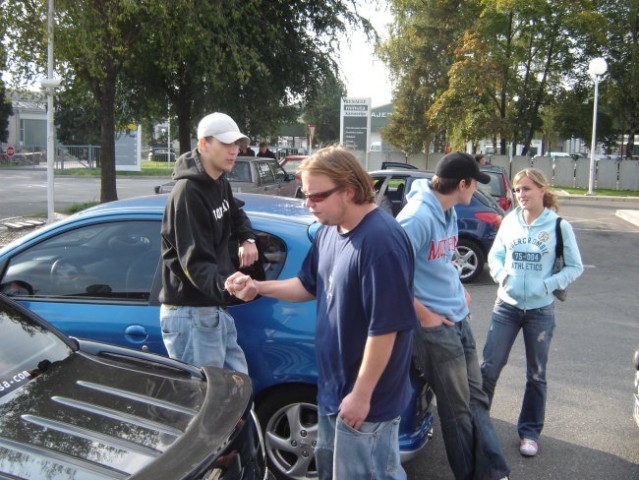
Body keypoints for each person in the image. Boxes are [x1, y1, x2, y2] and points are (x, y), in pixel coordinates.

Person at [226, 145, 418, 480]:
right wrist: (259, 288)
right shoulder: (330, 229)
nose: (308, 204)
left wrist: (361, 395)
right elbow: (308, 285)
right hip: (331, 391)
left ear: (350, 190)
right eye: (305, 194)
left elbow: (386, 329)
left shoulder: (381, 242)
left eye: (317, 196)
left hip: (366, 403)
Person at [396, 151, 510, 480]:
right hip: (435, 330)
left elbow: (444, 259)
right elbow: (390, 276)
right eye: (475, 184)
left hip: (458, 318)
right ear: (462, 184)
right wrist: (424, 316)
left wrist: (458, 287)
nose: (475, 191)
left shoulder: (448, 212)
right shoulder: (416, 217)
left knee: (476, 399)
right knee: (457, 411)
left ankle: (492, 471)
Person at [481, 168, 584, 457]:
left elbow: (575, 266)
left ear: (541, 190)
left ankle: (529, 432)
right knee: (489, 368)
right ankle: (478, 423)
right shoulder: (510, 221)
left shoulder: (558, 225)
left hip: (540, 311)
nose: (521, 195)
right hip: (506, 307)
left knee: (536, 375)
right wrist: (503, 276)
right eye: (517, 190)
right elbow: (495, 256)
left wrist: (549, 284)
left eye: (527, 189)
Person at [159, 112, 259, 373]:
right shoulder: (187, 193)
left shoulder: (219, 182)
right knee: (207, 403)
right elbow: (195, 261)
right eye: (226, 144)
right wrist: (229, 286)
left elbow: (237, 213)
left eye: (237, 144)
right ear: (203, 144)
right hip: (190, 313)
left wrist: (246, 238)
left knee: (236, 393)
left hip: (212, 307)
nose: (234, 150)